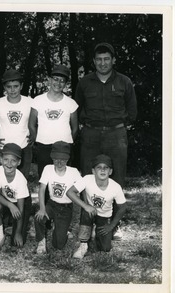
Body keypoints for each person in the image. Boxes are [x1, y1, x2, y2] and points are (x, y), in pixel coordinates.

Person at [74, 42, 137, 239]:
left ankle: (113, 224)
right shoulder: (84, 82)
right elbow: (76, 108)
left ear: (113, 60)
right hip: (91, 134)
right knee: (87, 176)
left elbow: (132, 111)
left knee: (116, 176)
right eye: (99, 59)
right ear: (94, 61)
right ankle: (87, 222)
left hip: (115, 135)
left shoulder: (124, 82)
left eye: (106, 59)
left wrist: (119, 125)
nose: (103, 63)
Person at [66, 154, 127, 259]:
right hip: (90, 212)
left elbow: (123, 207)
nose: (102, 170)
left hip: (104, 216)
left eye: (106, 168)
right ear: (93, 171)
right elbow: (70, 192)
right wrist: (85, 205)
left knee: (105, 248)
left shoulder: (115, 187)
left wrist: (111, 226)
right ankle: (83, 244)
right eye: (99, 167)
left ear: (110, 172)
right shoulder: (87, 179)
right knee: (86, 212)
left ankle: (96, 231)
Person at [29, 64, 78, 186]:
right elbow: (31, 124)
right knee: (45, 177)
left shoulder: (71, 103)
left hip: (64, 146)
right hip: (44, 145)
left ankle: (65, 203)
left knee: (64, 178)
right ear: (49, 80)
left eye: (62, 81)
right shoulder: (38, 100)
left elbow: (75, 127)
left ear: (66, 84)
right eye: (55, 79)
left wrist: (68, 143)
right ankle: (45, 203)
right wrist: (37, 140)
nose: (58, 83)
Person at [34, 141, 81, 254]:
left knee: (58, 245)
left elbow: (82, 188)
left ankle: (61, 229)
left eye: (63, 160)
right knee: (38, 217)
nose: (59, 163)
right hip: (52, 204)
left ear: (68, 159)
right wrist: (42, 208)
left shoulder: (73, 172)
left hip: (65, 208)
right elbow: (42, 189)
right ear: (52, 158)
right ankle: (41, 241)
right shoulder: (48, 169)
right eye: (56, 159)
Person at [0, 69, 33, 180]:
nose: (12, 90)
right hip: (3, 148)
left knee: (22, 182)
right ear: (4, 87)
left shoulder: (30, 102)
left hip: (24, 148)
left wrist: (35, 134)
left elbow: (42, 120)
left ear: (21, 86)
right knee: (2, 183)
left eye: (16, 86)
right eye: (9, 86)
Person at [0, 143, 31, 253]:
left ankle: (13, 227)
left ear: (19, 162)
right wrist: (10, 205)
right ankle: (0, 237)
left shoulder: (21, 179)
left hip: (21, 203)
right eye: (6, 159)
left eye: (13, 161)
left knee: (16, 244)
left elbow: (20, 209)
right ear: (1, 159)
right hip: (7, 201)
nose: (9, 163)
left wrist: (17, 233)